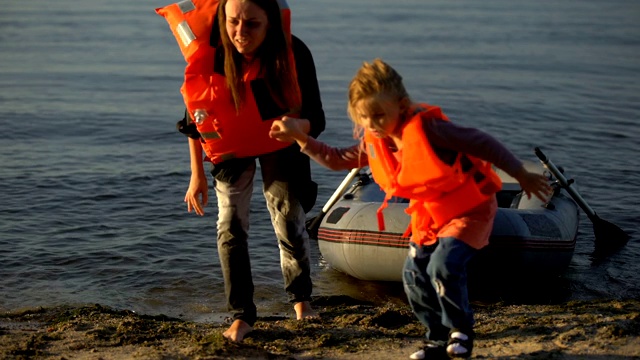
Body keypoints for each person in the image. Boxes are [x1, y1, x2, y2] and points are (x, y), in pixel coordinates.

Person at [269, 58, 551, 359]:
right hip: (429, 214)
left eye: (379, 115)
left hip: (469, 209)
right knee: (414, 275)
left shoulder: (431, 129)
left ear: (402, 105)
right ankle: (435, 339)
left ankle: (462, 331)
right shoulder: (375, 140)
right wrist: (301, 137)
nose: (372, 125)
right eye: (364, 118)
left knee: (444, 266)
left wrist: (520, 174)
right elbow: (337, 159)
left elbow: (482, 143)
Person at [157, 0, 325, 342]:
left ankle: (301, 299)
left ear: (271, 25)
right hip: (230, 148)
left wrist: (296, 125)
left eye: (252, 24)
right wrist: (197, 174)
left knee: (289, 221)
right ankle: (242, 315)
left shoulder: (293, 53)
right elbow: (195, 118)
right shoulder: (212, 53)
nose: (240, 33)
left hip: (281, 142)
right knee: (230, 227)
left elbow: (317, 120)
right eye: (233, 22)